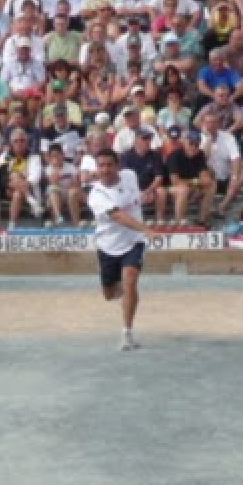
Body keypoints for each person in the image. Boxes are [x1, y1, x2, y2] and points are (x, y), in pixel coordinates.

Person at [88, 148, 153, 351]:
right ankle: (127, 295)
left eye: (109, 165)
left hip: (134, 242)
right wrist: (145, 228)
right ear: (97, 169)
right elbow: (118, 216)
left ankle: (127, 333)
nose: (105, 169)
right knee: (109, 294)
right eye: (101, 166)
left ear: (117, 166)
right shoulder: (96, 195)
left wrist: (142, 198)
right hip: (107, 246)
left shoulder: (130, 176)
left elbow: (134, 196)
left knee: (130, 280)